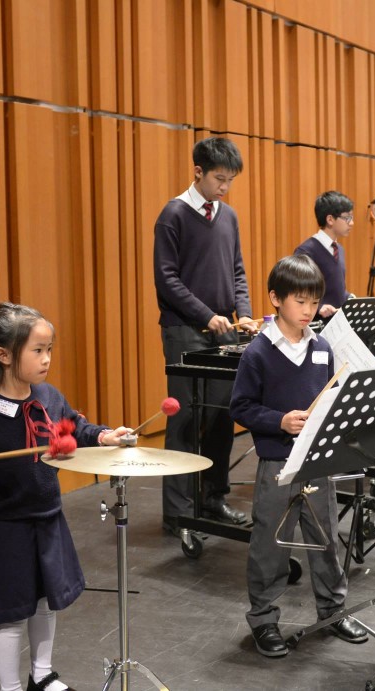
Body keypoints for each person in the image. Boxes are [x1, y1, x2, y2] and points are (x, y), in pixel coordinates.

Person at [0, 303, 132, 691]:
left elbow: (74, 427)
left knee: (45, 601)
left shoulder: (48, 396)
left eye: (49, 349)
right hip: (7, 527)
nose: (47, 358)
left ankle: (42, 675)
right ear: (3, 355)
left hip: (48, 517)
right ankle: (10, 688)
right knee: (12, 613)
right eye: (37, 350)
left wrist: (103, 435)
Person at [230, 255, 368, 658]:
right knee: (270, 546)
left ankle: (332, 610)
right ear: (276, 299)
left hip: (316, 461)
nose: (308, 310)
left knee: (326, 540)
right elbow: (241, 407)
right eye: (300, 301)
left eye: (314, 302)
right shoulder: (258, 353)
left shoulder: (321, 347)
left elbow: (330, 398)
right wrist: (279, 421)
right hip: (278, 464)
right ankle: (263, 618)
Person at [154, 136, 257, 534]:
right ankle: (178, 512)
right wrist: (206, 315)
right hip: (185, 331)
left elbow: (237, 271)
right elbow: (167, 280)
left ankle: (213, 499)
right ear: (198, 172)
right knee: (184, 421)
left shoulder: (228, 216)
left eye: (230, 180)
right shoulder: (173, 215)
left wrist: (242, 313)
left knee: (220, 418)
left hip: (225, 331)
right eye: (219, 179)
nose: (225, 187)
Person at [295, 190, 355, 319]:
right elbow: (296, 290)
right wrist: (319, 307)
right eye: (347, 218)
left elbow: (334, 288)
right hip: (316, 324)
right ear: (330, 219)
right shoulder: (306, 252)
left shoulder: (339, 249)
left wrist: (349, 297)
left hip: (337, 321)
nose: (351, 223)